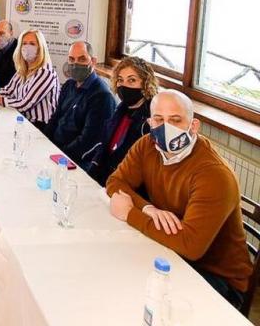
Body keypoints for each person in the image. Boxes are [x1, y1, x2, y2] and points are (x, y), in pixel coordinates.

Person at [107, 90, 252, 309]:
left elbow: (190, 245)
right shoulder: (147, 145)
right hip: (172, 251)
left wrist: (130, 213)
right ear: (150, 121)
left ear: (193, 126)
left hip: (218, 277)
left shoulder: (213, 175)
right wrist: (148, 209)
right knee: (118, 276)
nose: (166, 127)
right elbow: (116, 183)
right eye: (159, 119)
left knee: (137, 298)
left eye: (175, 120)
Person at [81, 56, 157, 185]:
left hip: (124, 185)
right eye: (120, 80)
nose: (124, 86)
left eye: (132, 80)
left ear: (145, 84)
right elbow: (104, 148)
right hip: (104, 177)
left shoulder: (150, 121)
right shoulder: (120, 110)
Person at [45, 41, 116, 160]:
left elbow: (88, 142)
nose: (75, 64)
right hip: (55, 149)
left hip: (75, 159)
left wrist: (58, 155)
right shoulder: (69, 85)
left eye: (82, 59)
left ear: (93, 62)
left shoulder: (102, 96)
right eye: (71, 59)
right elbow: (55, 118)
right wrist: (43, 141)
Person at [0, 29, 59, 132]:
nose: (27, 47)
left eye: (32, 44)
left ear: (40, 48)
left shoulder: (45, 72)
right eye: (24, 43)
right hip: (22, 120)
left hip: (40, 127)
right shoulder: (24, 68)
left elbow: (25, 104)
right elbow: (9, 90)